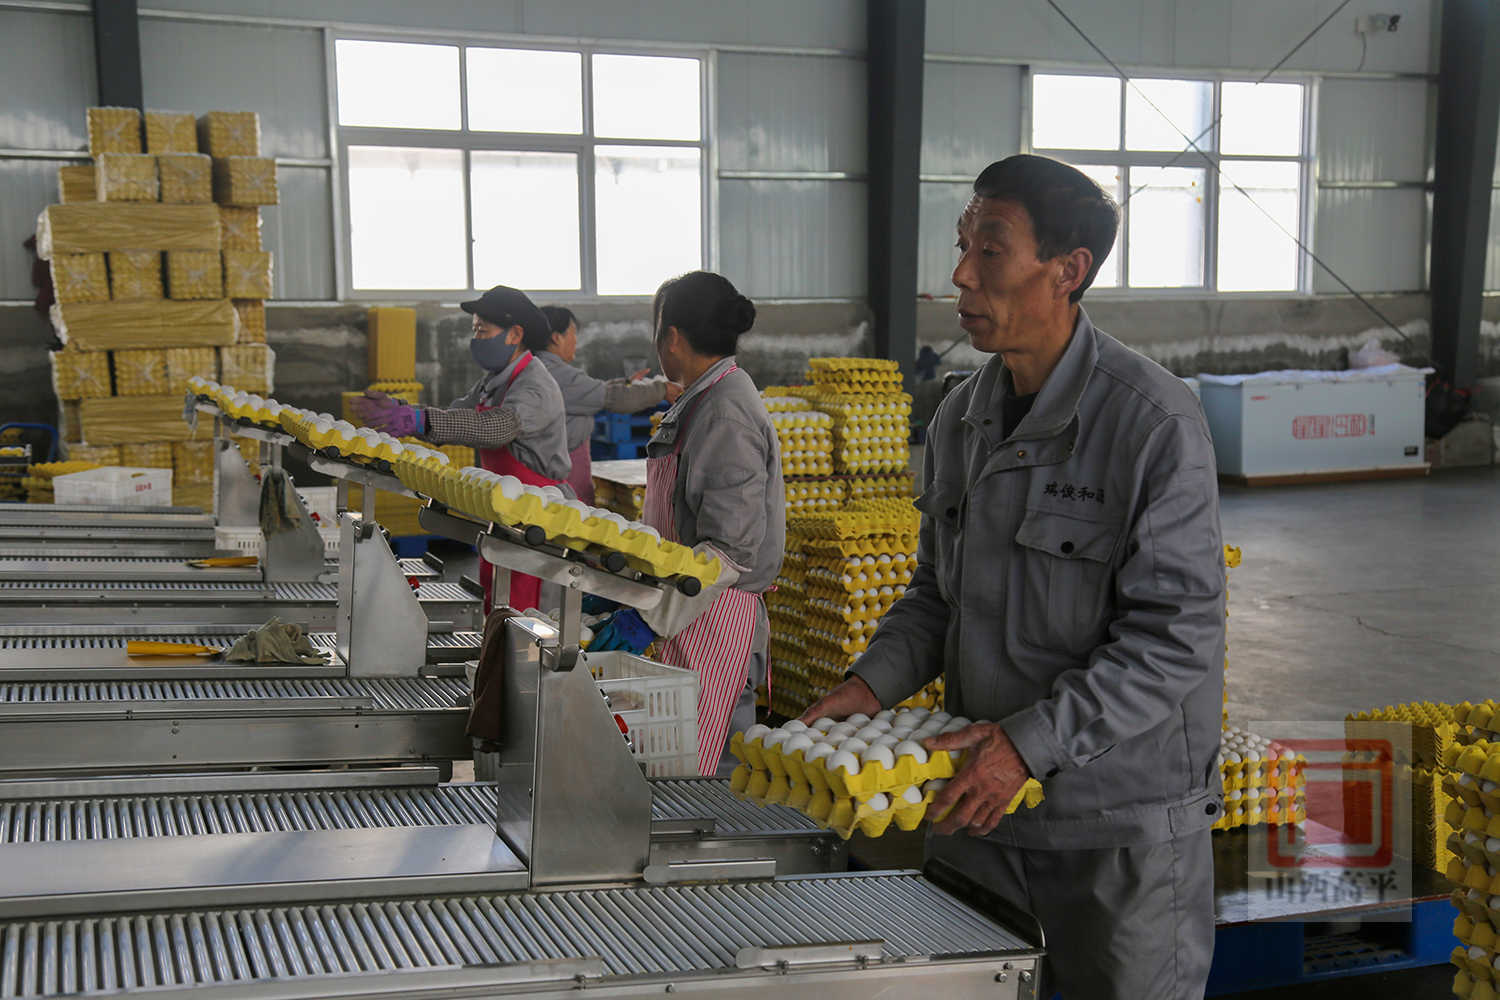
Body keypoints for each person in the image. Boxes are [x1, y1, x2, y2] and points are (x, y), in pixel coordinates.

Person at [800, 155, 1226, 1000]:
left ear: (1069, 270)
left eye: (990, 250)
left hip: (1115, 829)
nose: (961, 274)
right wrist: (870, 685)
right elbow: (936, 594)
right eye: (962, 246)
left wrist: (1029, 746)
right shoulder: (961, 415)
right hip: (980, 810)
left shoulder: (1152, 424)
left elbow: (1174, 639)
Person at [590, 272, 786, 777]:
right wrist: (627, 583)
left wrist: (650, 617)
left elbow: (729, 551)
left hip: (714, 619)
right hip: (688, 610)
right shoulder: (702, 400)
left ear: (672, 336)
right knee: (677, 767)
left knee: (711, 778)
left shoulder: (725, 413)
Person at [355, 284, 569, 615]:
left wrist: (419, 420)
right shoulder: (495, 380)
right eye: (475, 330)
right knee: (498, 606)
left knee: (528, 617)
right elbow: (457, 415)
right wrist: (404, 411)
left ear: (515, 334)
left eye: (483, 330)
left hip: (536, 519)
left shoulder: (534, 385)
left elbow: (496, 427)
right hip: (506, 514)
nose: (476, 339)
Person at [535, 305, 683, 504]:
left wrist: (626, 383)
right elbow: (612, 398)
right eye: (572, 333)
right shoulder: (557, 374)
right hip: (559, 474)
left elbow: (592, 390)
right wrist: (661, 390)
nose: (575, 341)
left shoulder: (541, 367)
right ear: (556, 338)